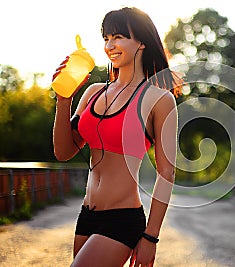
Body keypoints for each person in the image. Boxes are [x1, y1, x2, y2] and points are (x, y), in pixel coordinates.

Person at [52, 6, 181, 267]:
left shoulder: (159, 99)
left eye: (119, 36)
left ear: (142, 42)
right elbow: (63, 152)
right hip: (87, 215)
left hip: (122, 219)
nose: (110, 45)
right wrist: (63, 101)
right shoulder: (93, 93)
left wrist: (150, 237)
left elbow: (167, 173)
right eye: (106, 38)